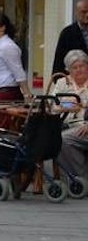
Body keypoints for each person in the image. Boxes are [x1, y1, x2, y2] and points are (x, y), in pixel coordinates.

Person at [48, 49, 88, 180]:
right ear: (68, 70)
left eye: (82, 66)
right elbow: (52, 105)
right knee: (57, 139)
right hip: (66, 125)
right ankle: (77, 179)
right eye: (74, 68)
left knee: (63, 140)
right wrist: (68, 106)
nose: (79, 70)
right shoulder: (62, 82)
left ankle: (79, 179)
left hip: (84, 126)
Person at [54, 0, 88, 78]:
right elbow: (59, 61)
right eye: (84, 12)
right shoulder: (67, 33)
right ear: (76, 13)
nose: (87, 15)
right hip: (74, 81)